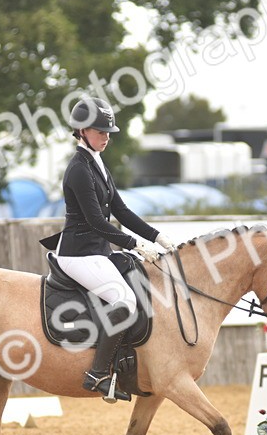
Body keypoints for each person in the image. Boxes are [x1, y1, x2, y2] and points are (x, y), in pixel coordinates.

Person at [39, 97, 176, 401]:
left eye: (108, 132)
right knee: (124, 300)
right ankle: (98, 373)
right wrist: (135, 244)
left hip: (97, 252)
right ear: (83, 130)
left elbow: (122, 211)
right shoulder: (78, 169)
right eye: (102, 132)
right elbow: (98, 222)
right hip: (78, 254)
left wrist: (157, 237)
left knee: (138, 282)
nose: (107, 137)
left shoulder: (97, 162)